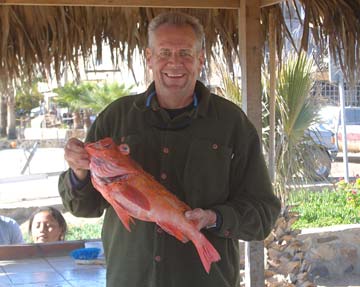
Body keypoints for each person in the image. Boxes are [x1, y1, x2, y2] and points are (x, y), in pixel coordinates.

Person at [58, 12, 281, 287]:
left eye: (185, 53)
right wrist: (79, 171)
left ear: (200, 60)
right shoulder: (115, 117)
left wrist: (214, 218)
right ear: (149, 58)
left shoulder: (232, 124)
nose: (174, 62)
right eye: (164, 52)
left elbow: (263, 214)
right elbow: (84, 207)